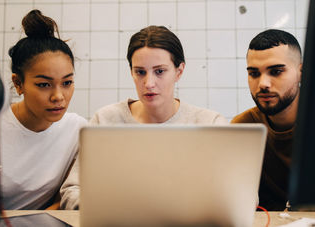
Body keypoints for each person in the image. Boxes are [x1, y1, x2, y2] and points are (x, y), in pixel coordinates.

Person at [60, 25, 228, 209]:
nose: (149, 83)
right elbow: (72, 190)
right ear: (131, 72)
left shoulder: (211, 124)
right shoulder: (105, 121)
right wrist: (114, 209)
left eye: (160, 71)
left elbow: (239, 195)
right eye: (140, 72)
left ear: (179, 71)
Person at [0, 9, 87, 210]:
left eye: (67, 82)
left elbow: (64, 197)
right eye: (44, 85)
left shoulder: (78, 129)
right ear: (18, 83)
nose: (58, 96)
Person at [231, 29, 302, 211]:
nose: (263, 84)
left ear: (301, 71)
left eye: (276, 71)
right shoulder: (242, 128)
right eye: (254, 73)